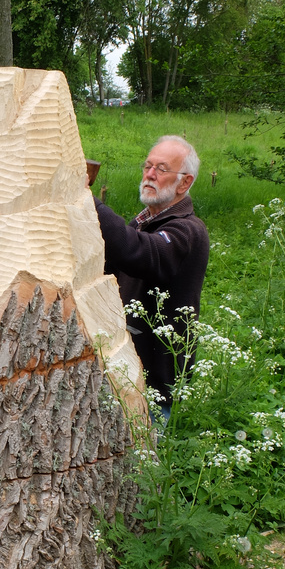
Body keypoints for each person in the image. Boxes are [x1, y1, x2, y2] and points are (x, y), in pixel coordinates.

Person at [91, 136, 209, 423]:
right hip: (123, 366)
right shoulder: (143, 224)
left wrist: (88, 202)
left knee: (142, 457)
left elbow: (143, 253)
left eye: (162, 168)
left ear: (184, 183)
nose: (150, 174)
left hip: (155, 377)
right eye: (147, 166)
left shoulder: (188, 231)